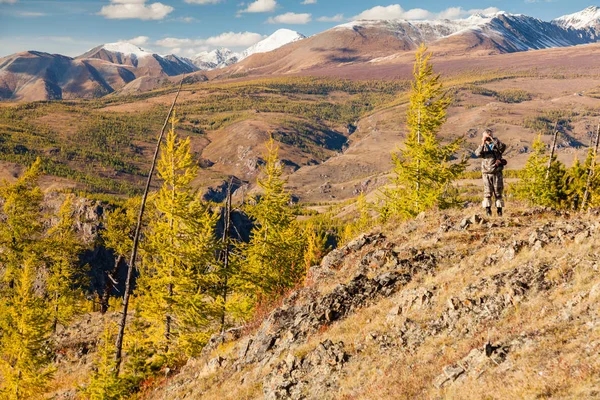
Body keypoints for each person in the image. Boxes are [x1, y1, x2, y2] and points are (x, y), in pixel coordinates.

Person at [475, 128, 507, 217]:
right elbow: (477, 154)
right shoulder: (483, 147)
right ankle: (488, 211)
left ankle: (499, 211)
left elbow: (503, 148)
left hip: (497, 172)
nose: (488, 137)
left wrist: (494, 140)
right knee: (487, 192)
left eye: (490, 135)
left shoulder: (497, 145)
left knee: (498, 192)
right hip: (486, 173)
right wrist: (483, 142)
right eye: (487, 136)